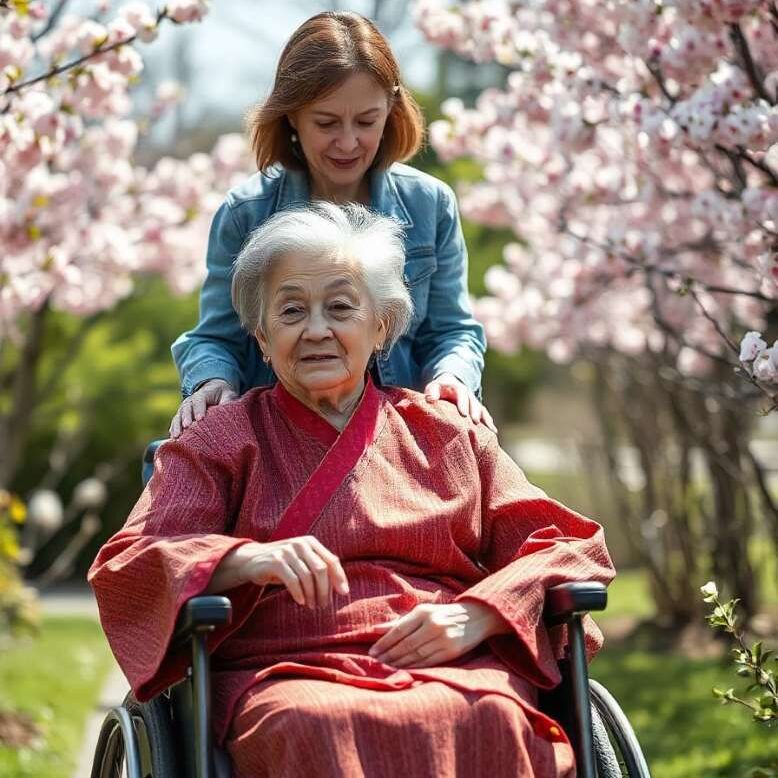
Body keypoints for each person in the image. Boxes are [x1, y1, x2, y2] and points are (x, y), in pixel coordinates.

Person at [90, 203, 615, 778]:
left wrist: (480, 614)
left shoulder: (447, 434)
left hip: (451, 662)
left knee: (491, 714)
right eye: (291, 310)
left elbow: (570, 548)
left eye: (341, 307)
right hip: (288, 673)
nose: (316, 329)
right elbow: (128, 562)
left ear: (381, 325)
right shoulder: (221, 439)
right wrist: (243, 558)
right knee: (315, 722)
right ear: (262, 337)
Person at [168, 10, 492, 440]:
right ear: (291, 117)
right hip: (279, 437)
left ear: (391, 110)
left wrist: (452, 377)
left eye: (366, 121)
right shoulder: (246, 211)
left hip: (398, 440)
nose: (347, 142)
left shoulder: (430, 205)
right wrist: (212, 383)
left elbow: (453, 330)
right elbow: (216, 337)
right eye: (326, 123)